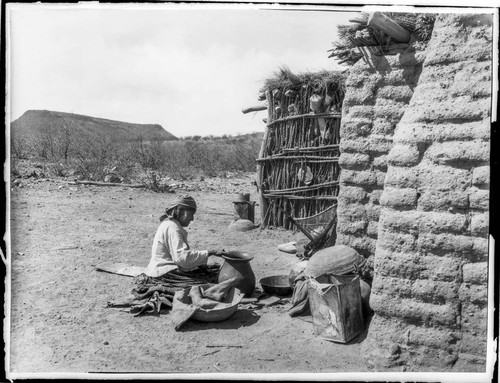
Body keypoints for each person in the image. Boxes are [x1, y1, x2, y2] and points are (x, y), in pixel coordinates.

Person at [144, 195, 224, 278]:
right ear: (182, 212)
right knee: (206, 283)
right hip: (164, 272)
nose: (192, 219)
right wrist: (209, 252)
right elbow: (182, 258)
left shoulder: (171, 224)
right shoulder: (172, 227)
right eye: (191, 215)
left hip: (162, 269)